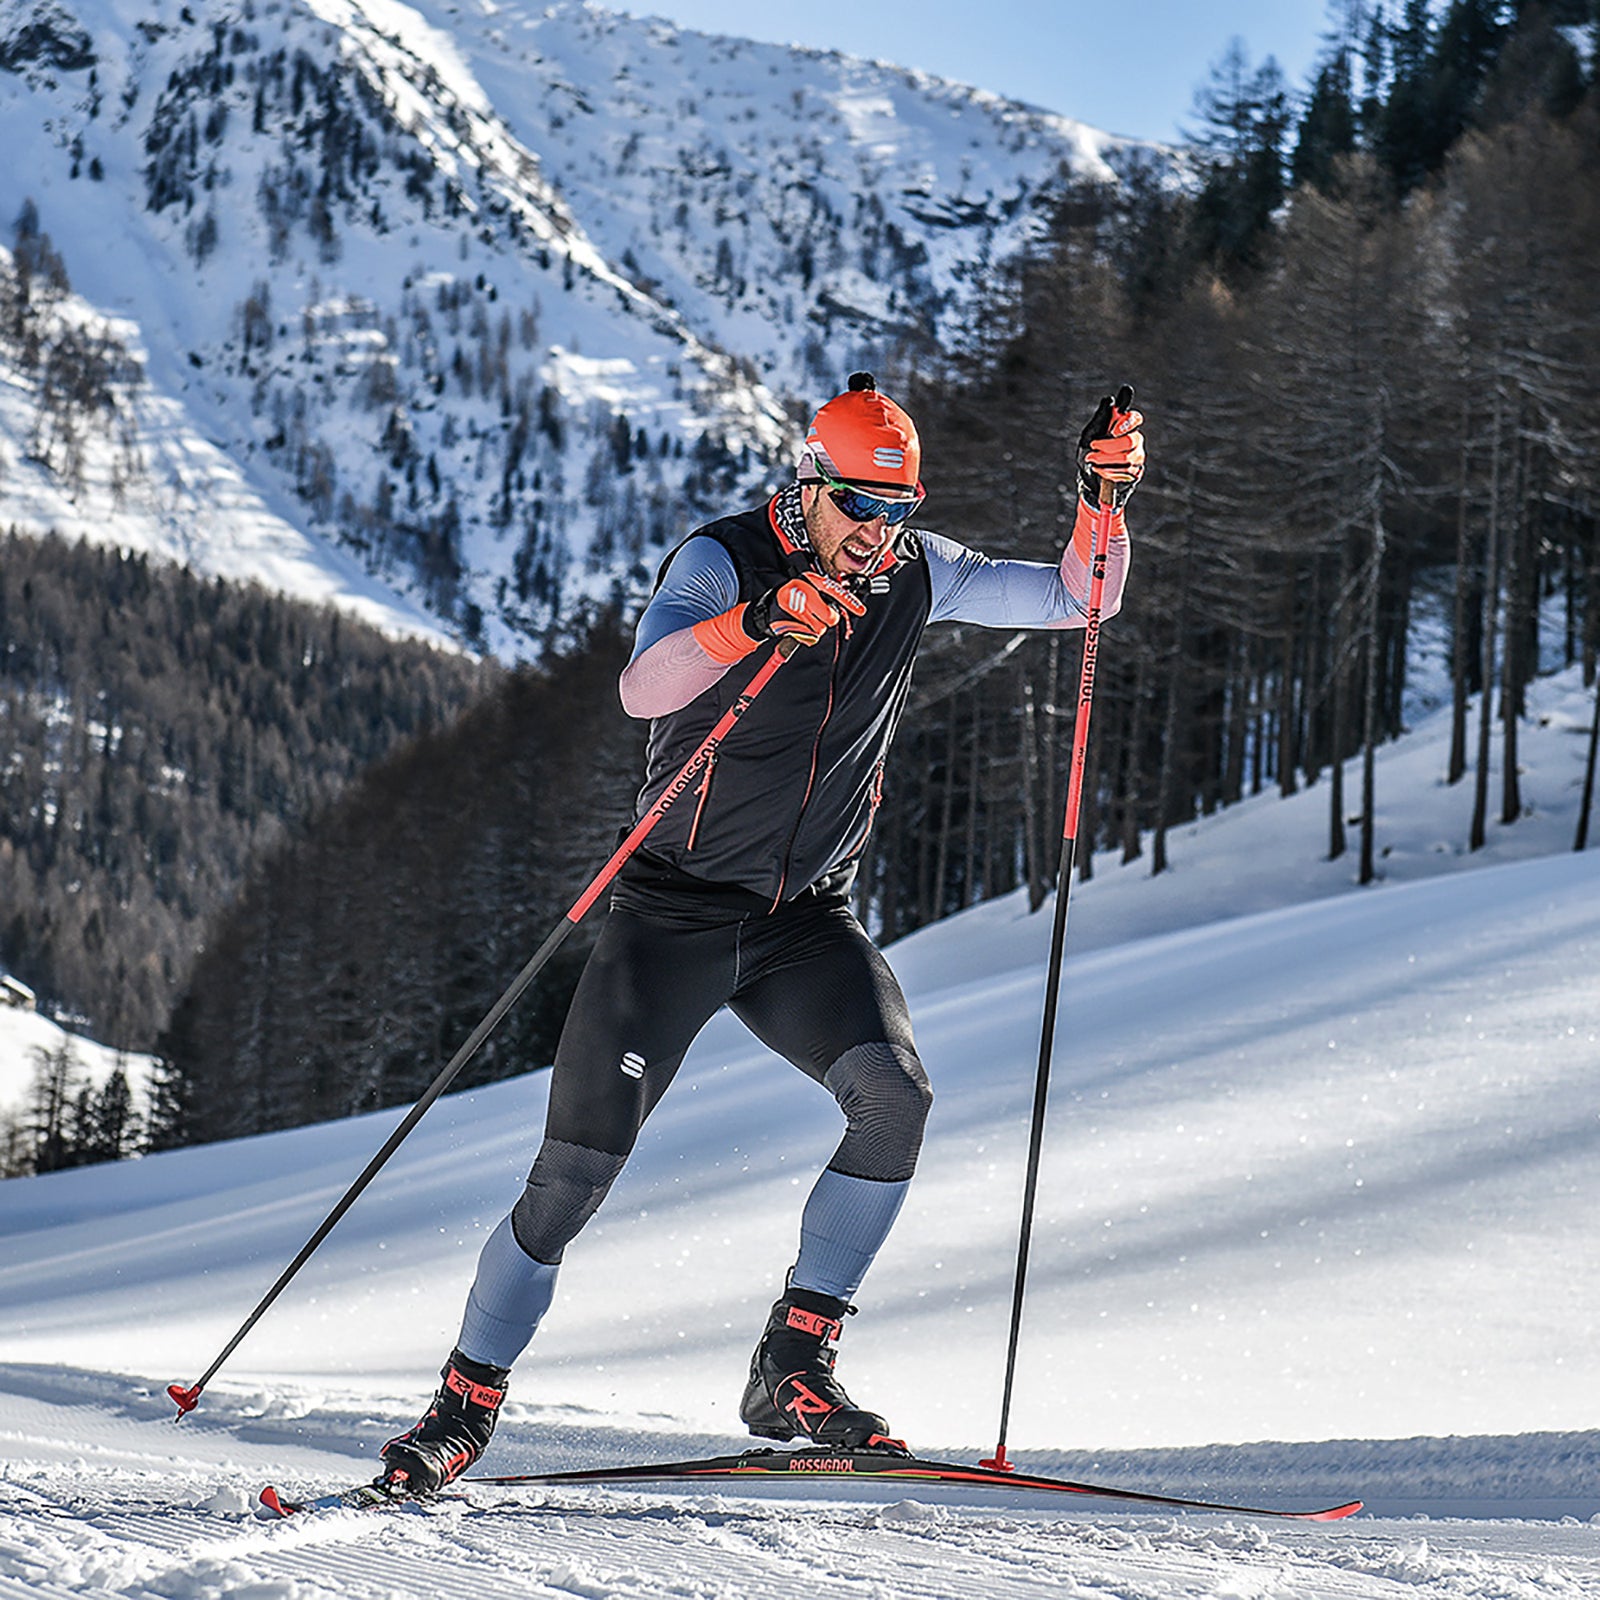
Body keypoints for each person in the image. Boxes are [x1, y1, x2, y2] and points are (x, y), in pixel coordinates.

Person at [378, 372, 1145, 1492]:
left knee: (896, 1100)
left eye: (900, 513)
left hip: (802, 920)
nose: (878, 538)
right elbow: (645, 688)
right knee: (572, 1178)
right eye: (858, 510)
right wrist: (755, 623)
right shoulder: (721, 560)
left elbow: (1081, 600)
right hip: (670, 914)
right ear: (807, 488)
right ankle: (462, 1405)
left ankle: (795, 1359)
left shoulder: (916, 570)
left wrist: (1100, 507)